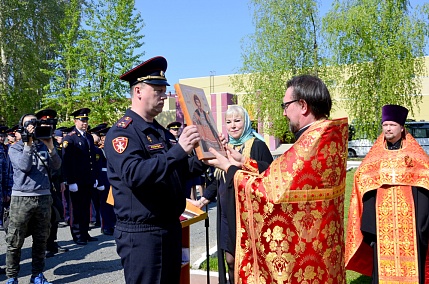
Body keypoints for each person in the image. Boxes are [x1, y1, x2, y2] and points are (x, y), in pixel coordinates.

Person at [207, 74, 348, 283]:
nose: (284, 113)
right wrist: (243, 163)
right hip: (323, 251)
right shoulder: (329, 135)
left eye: (286, 105)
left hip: (305, 261)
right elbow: (281, 176)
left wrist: (229, 168)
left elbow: (270, 192)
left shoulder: (311, 142)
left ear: (302, 105)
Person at [104, 56, 207, 284]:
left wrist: (206, 157)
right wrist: (179, 150)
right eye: (158, 90)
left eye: (164, 90)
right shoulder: (123, 133)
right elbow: (135, 174)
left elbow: (177, 170)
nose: (163, 96)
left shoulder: (159, 131)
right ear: (138, 91)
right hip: (142, 234)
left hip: (168, 227)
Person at [345, 104, 429, 283]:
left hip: (411, 226)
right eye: (385, 125)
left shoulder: (415, 156)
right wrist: (370, 228)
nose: (388, 128)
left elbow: (425, 180)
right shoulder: (375, 157)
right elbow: (362, 180)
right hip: (381, 226)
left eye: (392, 125)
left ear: (401, 128)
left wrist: (421, 225)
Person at [189, 105, 273, 283]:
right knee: (230, 258)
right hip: (227, 211)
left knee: (249, 259)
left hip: (248, 212)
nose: (233, 126)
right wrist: (202, 201)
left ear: (246, 122)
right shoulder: (222, 147)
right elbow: (217, 180)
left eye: (237, 120)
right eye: (229, 122)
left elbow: (269, 175)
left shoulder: (258, 145)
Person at [5, 113, 61, 284]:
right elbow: (24, 166)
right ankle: (12, 277)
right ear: (21, 127)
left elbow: (57, 166)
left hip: (43, 197)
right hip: (22, 198)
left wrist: (51, 147)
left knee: (41, 240)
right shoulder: (15, 148)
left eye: (35, 123)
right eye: (28, 123)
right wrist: (28, 143)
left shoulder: (44, 144)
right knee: (15, 240)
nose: (32, 126)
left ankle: (37, 275)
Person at [34, 109, 69, 259]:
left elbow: (59, 163)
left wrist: (61, 180)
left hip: (54, 183)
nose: (49, 125)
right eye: (46, 122)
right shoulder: (37, 139)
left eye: (51, 122)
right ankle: (42, 245)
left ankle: (52, 242)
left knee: (55, 214)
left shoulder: (52, 140)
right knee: (42, 218)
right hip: (41, 183)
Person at [62, 108, 98, 245]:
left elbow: (92, 160)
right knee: (76, 209)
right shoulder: (70, 138)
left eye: (86, 120)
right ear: (75, 121)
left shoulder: (88, 137)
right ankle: (77, 234)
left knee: (85, 207)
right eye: (82, 120)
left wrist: (94, 177)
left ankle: (84, 231)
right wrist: (70, 181)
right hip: (76, 180)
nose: (85, 123)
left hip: (87, 179)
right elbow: (67, 161)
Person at [91, 124, 116, 236]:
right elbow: (97, 167)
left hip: (112, 178)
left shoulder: (111, 148)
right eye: (105, 137)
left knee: (112, 204)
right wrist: (99, 181)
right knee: (105, 205)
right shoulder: (99, 150)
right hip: (104, 178)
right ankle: (106, 226)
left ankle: (111, 224)